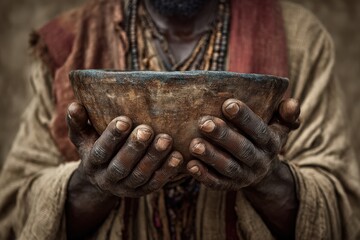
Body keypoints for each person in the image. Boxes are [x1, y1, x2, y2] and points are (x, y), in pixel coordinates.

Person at [0, 0, 359, 239]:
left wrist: (267, 178)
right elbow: (14, 215)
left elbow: (344, 215)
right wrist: (91, 183)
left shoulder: (299, 38)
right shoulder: (70, 42)